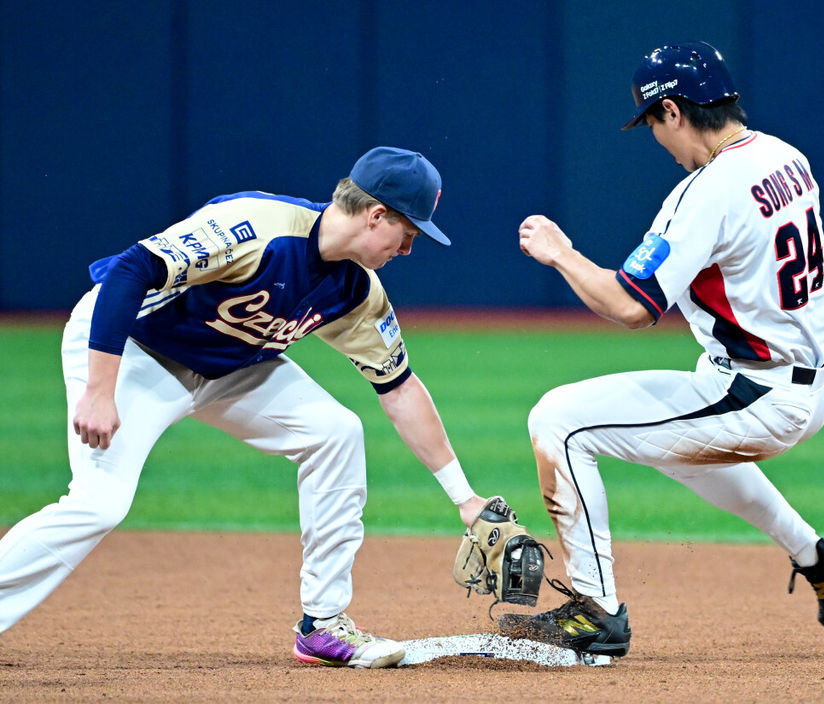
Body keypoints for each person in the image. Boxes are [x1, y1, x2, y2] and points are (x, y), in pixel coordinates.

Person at [0, 146, 490, 669]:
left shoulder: (356, 291)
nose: (409, 249)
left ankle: (322, 625)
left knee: (335, 432)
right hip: (136, 352)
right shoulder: (257, 226)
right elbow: (131, 270)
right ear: (376, 215)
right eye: (408, 234)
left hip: (230, 367)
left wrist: (464, 498)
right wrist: (100, 387)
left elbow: (400, 388)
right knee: (100, 504)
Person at [499, 43, 824, 657]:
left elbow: (630, 306)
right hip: (807, 378)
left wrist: (560, 252)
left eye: (651, 123)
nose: (655, 138)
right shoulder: (785, 156)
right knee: (666, 444)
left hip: (758, 393)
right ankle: (820, 559)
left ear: (672, 110)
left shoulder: (706, 192)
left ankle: (596, 613)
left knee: (559, 423)